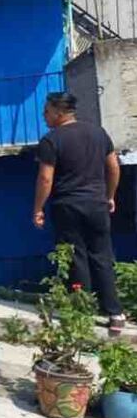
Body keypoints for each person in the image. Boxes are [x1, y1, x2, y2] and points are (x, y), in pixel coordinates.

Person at [33, 91, 126, 332]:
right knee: (102, 255)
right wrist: (109, 196)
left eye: (47, 112)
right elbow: (114, 168)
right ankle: (115, 314)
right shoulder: (98, 133)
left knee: (76, 257)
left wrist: (38, 208)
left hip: (68, 205)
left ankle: (81, 311)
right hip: (97, 204)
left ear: (59, 112)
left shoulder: (51, 140)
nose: (44, 116)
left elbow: (45, 178)